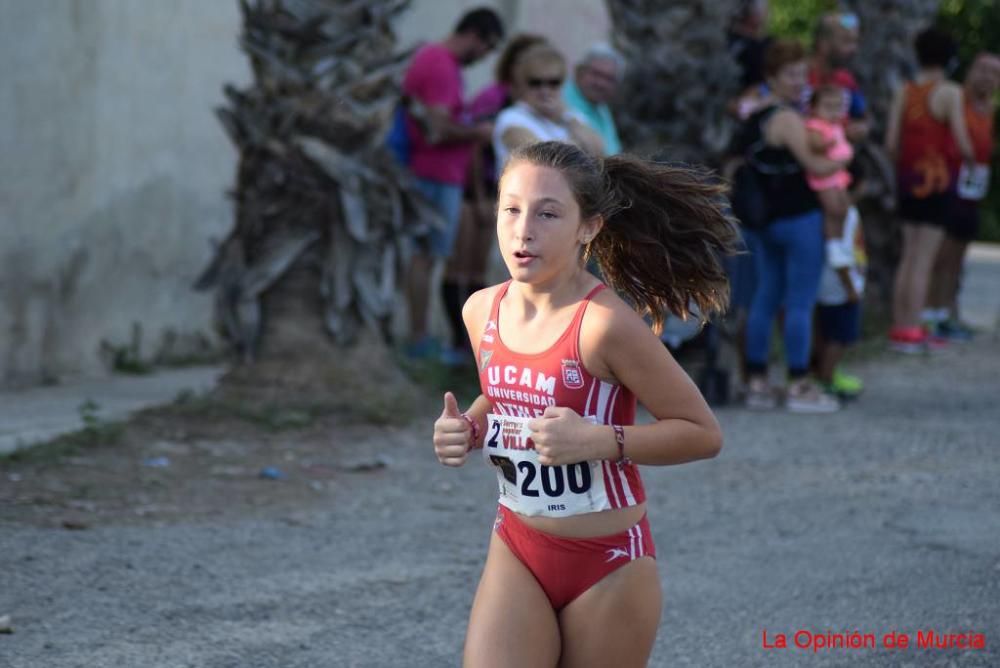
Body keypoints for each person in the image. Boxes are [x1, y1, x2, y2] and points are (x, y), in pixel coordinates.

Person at [432, 140, 735, 666]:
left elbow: (702, 432)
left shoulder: (604, 325)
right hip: (517, 544)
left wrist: (600, 440)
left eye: (548, 213)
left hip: (608, 562)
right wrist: (469, 428)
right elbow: (503, 395)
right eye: (511, 208)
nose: (523, 230)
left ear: (588, 228)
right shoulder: (481, 310)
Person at [736, 39, 847, 413]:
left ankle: (756, 381)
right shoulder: (787, 118)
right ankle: (799, 383)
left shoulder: (756, 115)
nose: (800, 81)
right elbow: (815, 166)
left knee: (765, 298)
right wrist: (845, 161)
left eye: (803, 73)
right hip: (799, 220)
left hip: (766, 223)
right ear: (772, 76)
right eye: (791, 74)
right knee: (800, 302)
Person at [440, 34, 550, 366]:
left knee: (477, 268)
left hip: (499, 195)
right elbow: (475, 147)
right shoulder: (494, 98)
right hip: (479, 191)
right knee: (459, 266)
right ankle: (459, 344)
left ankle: (474, 347)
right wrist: (476, 196)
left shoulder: (532, 103)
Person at [401, 8, 504, 359]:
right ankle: (417, 339)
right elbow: (439, 128)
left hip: (443, 177)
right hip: (431, 175)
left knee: (429, 257)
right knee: (424, 256)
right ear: (474, 35)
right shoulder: (441, 64)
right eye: (487, 47)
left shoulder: (444, 64)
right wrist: (479, 131)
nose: (484, 57)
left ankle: (420, 337)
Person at [884, 26, 976, 353]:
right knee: (924, 258)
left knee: (907, 256)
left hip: (908, 182)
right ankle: (913, 329)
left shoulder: (905, 91)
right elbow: (964, 143)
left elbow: (892, 144)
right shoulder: (950, 92)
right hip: (937, 183)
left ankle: (899, 325)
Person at [925, 52, 1000, 341]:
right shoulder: (956, 100)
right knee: (941, 252)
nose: (986, 77)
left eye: (993, 72)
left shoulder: (990, 109)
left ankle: (948, 311)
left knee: (958, 254)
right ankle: (929, 313)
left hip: (974, 188)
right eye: (981, 69)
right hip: (949, 182)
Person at [492, 43, 604, 171]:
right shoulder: (511, 117)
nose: (545, 90)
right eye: (535, 82)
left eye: (553, 83)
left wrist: (564, 116)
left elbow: (599, 152)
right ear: (521, 84)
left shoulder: (570, 116)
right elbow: (546, 161)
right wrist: (580, 146)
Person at [815, 205, 866, 398]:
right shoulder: (840, 213)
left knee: (829, 334)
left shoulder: (839, 211)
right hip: (840, 286)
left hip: (833, 286)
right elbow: (837, 252)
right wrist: (850, 286)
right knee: (840, 336)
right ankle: (827, 378)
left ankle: (827, 374)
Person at [806, 12, 869, 143]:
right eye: (846, 41)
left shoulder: (846, 80)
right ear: (823, 44)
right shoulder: (798, 77)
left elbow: (863, 116)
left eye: (855, 41)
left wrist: (861, 127)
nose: (854, 49)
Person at [562, 43, 625, 155]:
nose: (601, 84)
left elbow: (614, 151)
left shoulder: (601, 107)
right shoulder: (560, 98)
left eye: (609, 79)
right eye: (596, 74)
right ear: (579, 72)